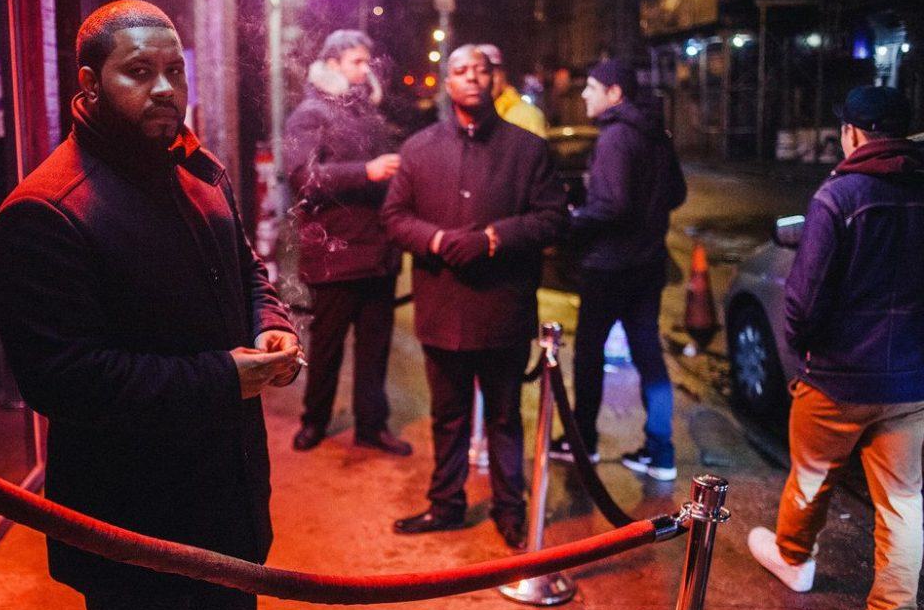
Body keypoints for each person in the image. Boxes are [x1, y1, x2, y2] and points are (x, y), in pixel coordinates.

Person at [0, 0, 302, 610]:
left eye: (173, 71)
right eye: (138, 71)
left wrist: (270, 318)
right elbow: (63, 378)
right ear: (89, 84)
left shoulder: (197, 165)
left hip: (229, 496)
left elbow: (246, 267)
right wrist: (223, 376)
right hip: (131, 512)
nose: (164, 88)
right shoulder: (45, 211)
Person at [748, 86, 924, 610]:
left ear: (850, 133)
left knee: (811, 473)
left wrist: (803, 353)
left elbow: (802, 300)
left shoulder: (840, 196)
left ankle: (795, 559)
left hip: (838, 378)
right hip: (910, 385)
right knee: (902, 504)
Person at [382, 44, 565, 549]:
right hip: (442, 307)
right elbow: (394, 218)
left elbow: (554, 218)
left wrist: (492, 238)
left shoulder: (528, 150)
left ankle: (511, 508)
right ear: (447, 82)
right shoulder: (419, 149)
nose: (471, 80)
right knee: (448, 415)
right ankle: (446, 504)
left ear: (494, 81)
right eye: (460, 71)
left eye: (480, 72)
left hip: (503, 308)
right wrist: (439, 240)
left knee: (506, 416)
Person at [552, 58, 686, 481]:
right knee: (649, 357)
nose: (585, 95)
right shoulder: (656, 134)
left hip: (608, 266)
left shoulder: (614, 139)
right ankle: (660, 452)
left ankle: (583, 443)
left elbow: (611, 205)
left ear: (614, 94)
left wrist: (572, 219)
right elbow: (677, 192)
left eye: (591, 88)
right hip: (647, 264)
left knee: (589, 354)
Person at [285, 30, 410, 456]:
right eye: (357, 61)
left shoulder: (368, 116)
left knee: (374, 350)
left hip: (377, 252)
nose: (366, 70)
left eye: (367, 62)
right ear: (334, 62)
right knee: (328, 346)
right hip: (335, 253)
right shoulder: (309, 115)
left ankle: (371, 426)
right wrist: (368, 171)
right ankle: (314, 421)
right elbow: (303, 177)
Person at [478, 43, 547, 138]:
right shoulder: (474, 118)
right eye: (480, 75)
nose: (487, 82)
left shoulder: (526, 116)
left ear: (502, 75)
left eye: (491, 74)